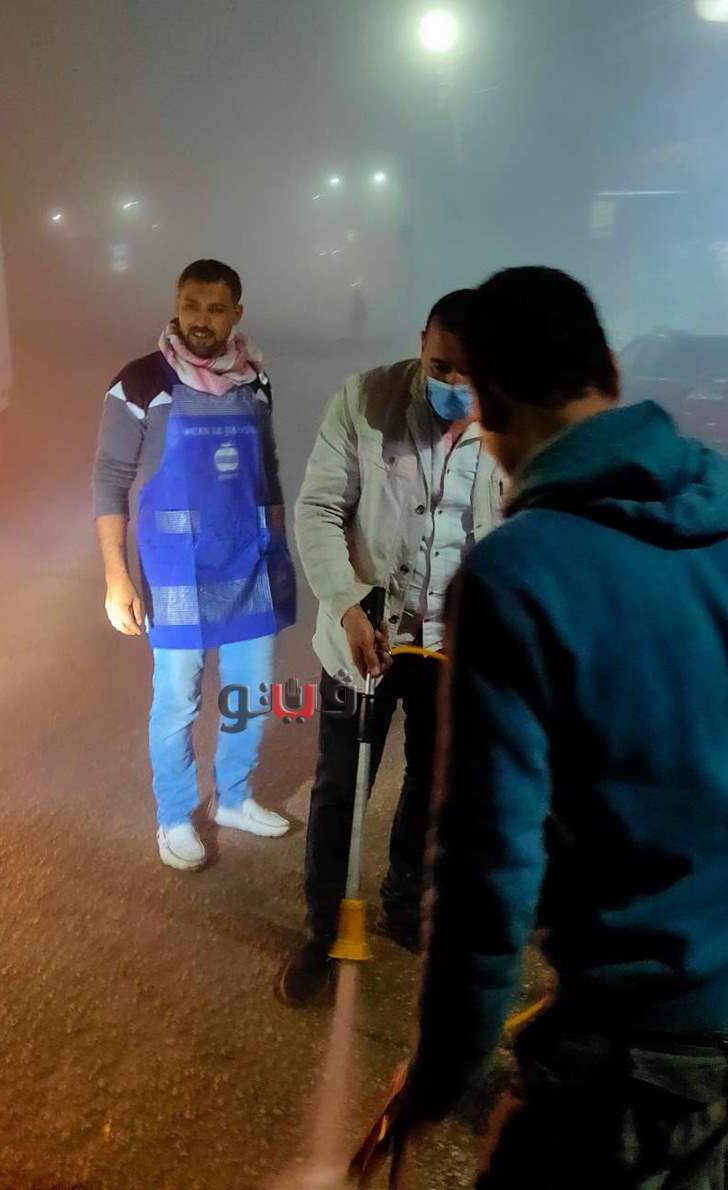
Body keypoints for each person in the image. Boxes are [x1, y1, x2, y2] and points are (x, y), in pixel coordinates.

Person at [384, 267, 728, 1187]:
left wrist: (440, 1075)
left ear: (488, 403)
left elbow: (486, 865)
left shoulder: (518, 575)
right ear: (607, 367)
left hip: (642, 1036)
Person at [277, 289, 506, 1005]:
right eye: (441, 367)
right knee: (340, 787)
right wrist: (346, 604)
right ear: (420, 344)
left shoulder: (513, 422)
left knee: (434, 789)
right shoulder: (365, 401)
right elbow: (319, 507)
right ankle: (324, 929)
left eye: (472, 372)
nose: (455, 385)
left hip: (457, 648)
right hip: (366, 637)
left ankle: (406, 906)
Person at [92, 259, 297, 871]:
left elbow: (268, 470)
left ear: (236, 313)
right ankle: (176, 816)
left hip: (247, 557)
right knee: (178, 699)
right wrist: (116, 576)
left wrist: (279, 547)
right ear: (175, 307)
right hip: (175, 568)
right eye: (190, 306)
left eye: (214, 309)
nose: (200, 321)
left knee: (250, 692)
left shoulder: (254, 380)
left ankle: (234, 798)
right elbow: (110, 478)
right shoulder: (140, 382)